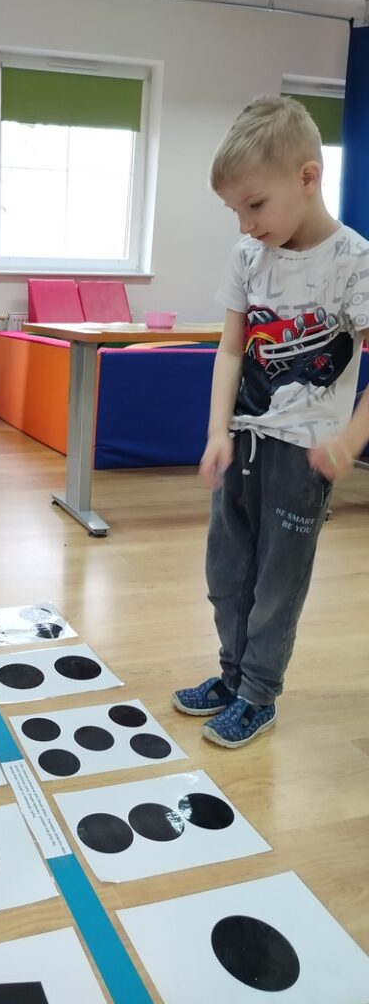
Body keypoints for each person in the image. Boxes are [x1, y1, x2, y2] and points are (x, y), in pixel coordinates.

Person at [173, 95, 369, 748]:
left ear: (308, 177)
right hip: (243, 443)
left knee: (276, 584)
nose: (245, 224)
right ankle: (231, 677)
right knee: (226, 572)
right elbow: (231, 349)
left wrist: (350, 441)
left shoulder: (353, 262)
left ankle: (258, 694)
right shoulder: (248, 257)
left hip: (303, 456)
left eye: (254, 205)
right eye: (235, 211)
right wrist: (216, 430)